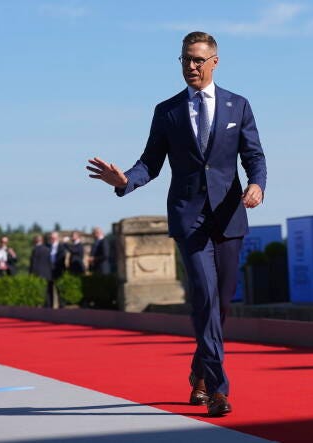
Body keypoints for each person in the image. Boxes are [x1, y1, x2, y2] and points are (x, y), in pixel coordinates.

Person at [86, 31, 266, 417]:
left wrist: (256, 184)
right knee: (204, 296)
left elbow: (254, 156)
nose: (191, 67)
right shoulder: (166, 111)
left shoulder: (239, 105)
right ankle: (218, 389)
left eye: (198, 60)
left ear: (214, 61)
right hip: (189, 217)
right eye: (185, 59)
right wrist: (125, 181)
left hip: (230, 216)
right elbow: (150, 163)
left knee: (221, 306)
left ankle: (198, 373)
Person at [29, 235, 53, 308]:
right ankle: (49, 307)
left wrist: (31, 274)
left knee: (39, 292)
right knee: (48, 293)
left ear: (35, 241)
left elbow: (34, 263)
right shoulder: (48, 249)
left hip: (38, 274)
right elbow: (50, 262)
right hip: (48, 274)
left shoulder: (35, 250)